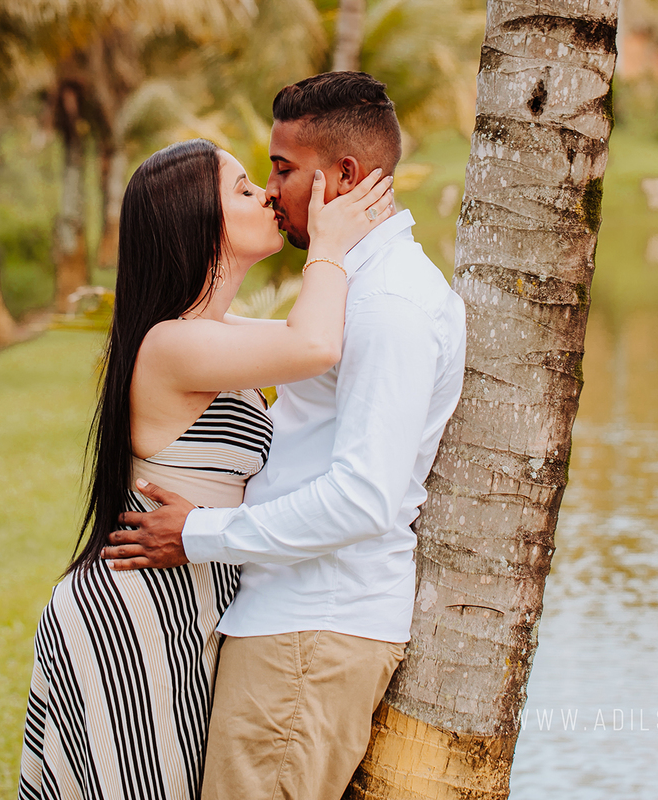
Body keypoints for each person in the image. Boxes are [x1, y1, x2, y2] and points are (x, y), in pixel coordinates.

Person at [102, 72, 467, 800]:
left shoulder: (386, 302)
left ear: (345, 177)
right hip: (283, 621)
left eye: (280, 169)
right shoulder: (346, 295)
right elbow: (268, 345)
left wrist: (201, 534)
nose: (271, 191)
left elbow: (364, 498)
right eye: (257, 178)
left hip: (310, 628)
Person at [17, 138, 395, 800]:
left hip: (188, 603)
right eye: (244, 190)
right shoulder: (171, 343)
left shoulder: (214, 333)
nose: (269, 196)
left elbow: (331, 345)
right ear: (197, 220)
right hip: (134, 609)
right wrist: (331, 246)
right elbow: (314, 344)